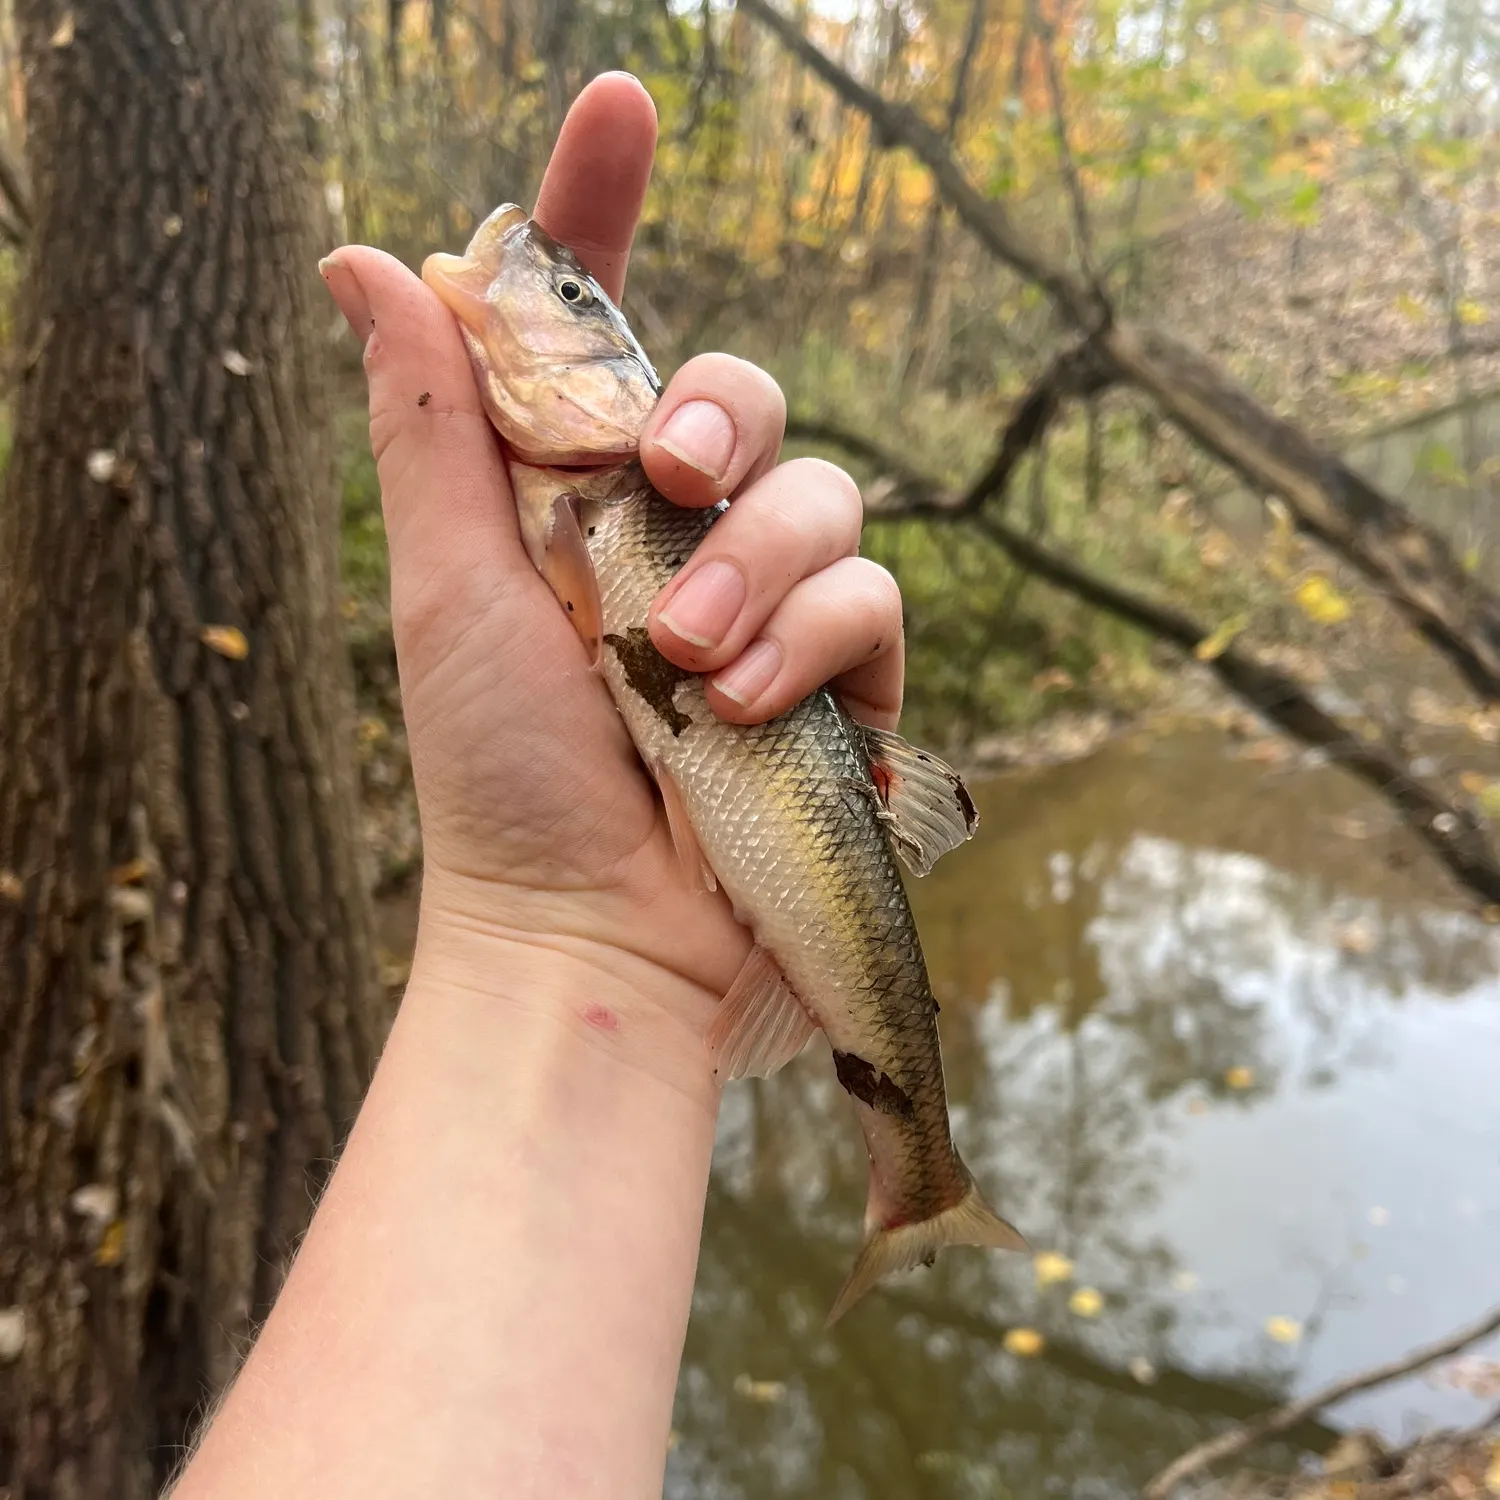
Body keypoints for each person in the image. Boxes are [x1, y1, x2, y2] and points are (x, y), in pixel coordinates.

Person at [170, 71, 904, 1500]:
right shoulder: (562, 495)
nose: (532, 290)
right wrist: (561, 927)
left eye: (571, 308)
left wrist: (599, 944)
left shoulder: (632, 488)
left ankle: (913, 1158)